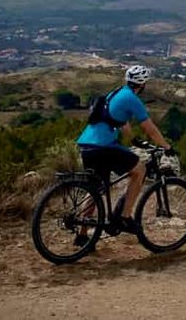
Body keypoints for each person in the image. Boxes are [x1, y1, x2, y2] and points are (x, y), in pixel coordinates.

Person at [74, 65, 173, 246]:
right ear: (142, 85)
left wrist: (133, 140)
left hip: (86, 145)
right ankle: (125, 217)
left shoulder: (116, 93)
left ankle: (82, 235)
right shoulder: (132, 99)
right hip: (103, 146)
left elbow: (121, 122)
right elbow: (150, 128)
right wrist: (166, 146)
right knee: (139, 170)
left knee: (95, 189)